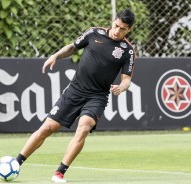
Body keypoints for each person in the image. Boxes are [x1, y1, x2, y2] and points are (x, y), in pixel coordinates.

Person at [15, 8, 136, 183]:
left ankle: (59, 173)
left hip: (97, 96)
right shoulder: (93, 33)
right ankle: (16, 163)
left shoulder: (128, 51)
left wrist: (122, 87)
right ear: (113, 20)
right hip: (74, 91)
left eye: (123, 29)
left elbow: (127, 79)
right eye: (116, 25)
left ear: (129, 30)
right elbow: (72, 47)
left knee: (84, 126)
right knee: (47, 128)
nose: (117, 31)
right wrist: (55, 55)